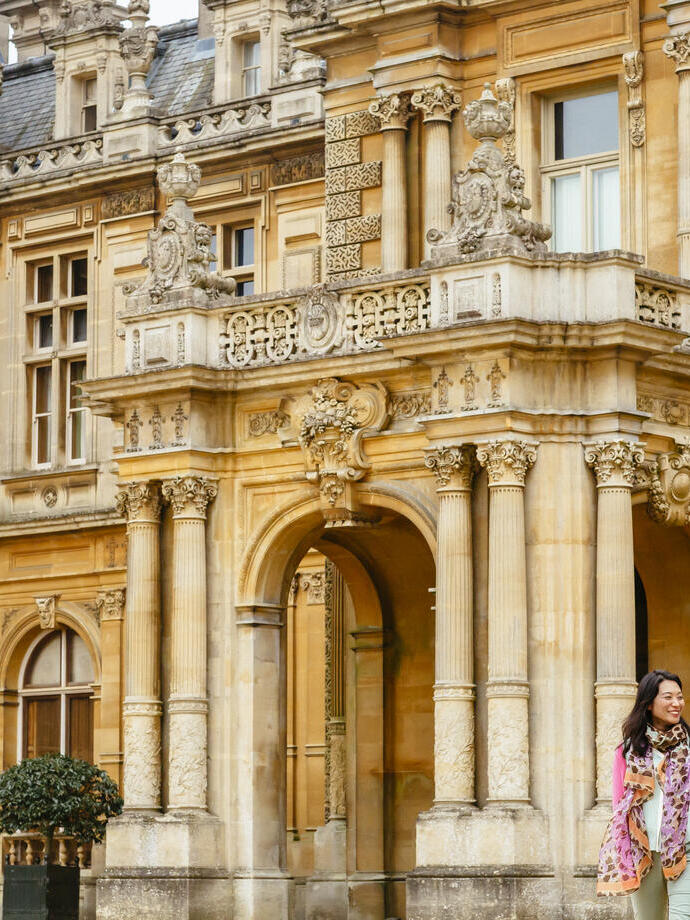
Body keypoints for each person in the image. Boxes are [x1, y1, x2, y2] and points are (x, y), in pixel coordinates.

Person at [597, 669, 690, 919]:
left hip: (685, 851)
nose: (676, 703)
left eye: (679, 697)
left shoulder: (689, 749)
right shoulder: (628, 752)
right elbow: (619, 806)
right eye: (668, 697)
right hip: (644, 853)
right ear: (648, 703)